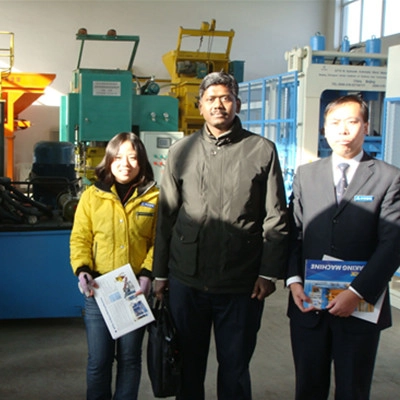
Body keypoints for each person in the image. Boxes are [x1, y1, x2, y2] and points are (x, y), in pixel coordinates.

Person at [152, 71, 289, 400]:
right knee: (188, 367)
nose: (218, 105)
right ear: (199, 106)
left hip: (241, 283)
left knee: (235, 367)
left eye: (226, 98)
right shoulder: (181, 151)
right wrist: (160, 274)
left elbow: (276, 216)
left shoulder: (261, 150)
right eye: (211, 99)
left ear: (237, 103)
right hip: (188, 280)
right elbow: (166, 216)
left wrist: (268, 273)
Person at [286, 94, 400, 400]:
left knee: (353, 390)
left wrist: (357, 292)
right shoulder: (306, 175)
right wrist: (293, 281)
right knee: (308, 388)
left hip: (360, 308)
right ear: (324, 129)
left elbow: (392, 244)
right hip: (308, 304)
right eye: (335, 123)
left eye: (352, 122)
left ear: (366, 126)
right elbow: (293, 233)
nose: (343, 130)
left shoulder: (389, 178)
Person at [70, 132, 158, 400]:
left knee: (130, 359)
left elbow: (159, 242)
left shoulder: (154, 197)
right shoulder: (92, 196)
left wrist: (148, 273)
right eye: (118, 157)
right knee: (99, 360)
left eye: (132, 157)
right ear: (108, 160)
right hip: (99, 289)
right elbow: (80, 237)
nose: (125, 164)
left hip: (135, 290)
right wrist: (82, 270)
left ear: (142, 162)